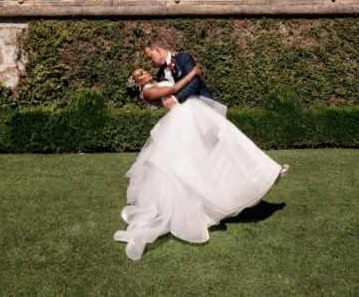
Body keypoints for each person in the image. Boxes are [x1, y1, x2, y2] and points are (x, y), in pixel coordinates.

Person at [114, 38, 288, 260]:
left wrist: (183, 92)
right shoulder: (151, 88)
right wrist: (191, 78)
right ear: (137, 84)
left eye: (150, 58)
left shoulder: (181, 59)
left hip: (196, 114)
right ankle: (201, 209)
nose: (148, 65)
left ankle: (266, 173)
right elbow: (177, 89)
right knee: (198, 161)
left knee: (226, 145)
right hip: (185, 119)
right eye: (141, 71)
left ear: (159, 50)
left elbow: (192, 88)